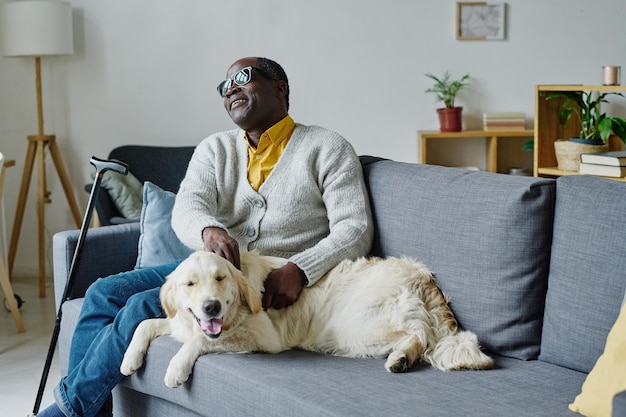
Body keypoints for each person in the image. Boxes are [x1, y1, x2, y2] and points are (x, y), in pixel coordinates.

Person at [36, 57, 373, 417]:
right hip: (210, 273)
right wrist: (209, 230)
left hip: (268, 277)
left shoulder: (328, 147)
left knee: (138, 307)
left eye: (243, 78)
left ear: (280, 87)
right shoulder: (215, 149)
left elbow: (355, 229)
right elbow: (187, 207)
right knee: (103, 291)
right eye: (225, 86)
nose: (231, 89)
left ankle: (67, 413)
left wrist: (301, 269)